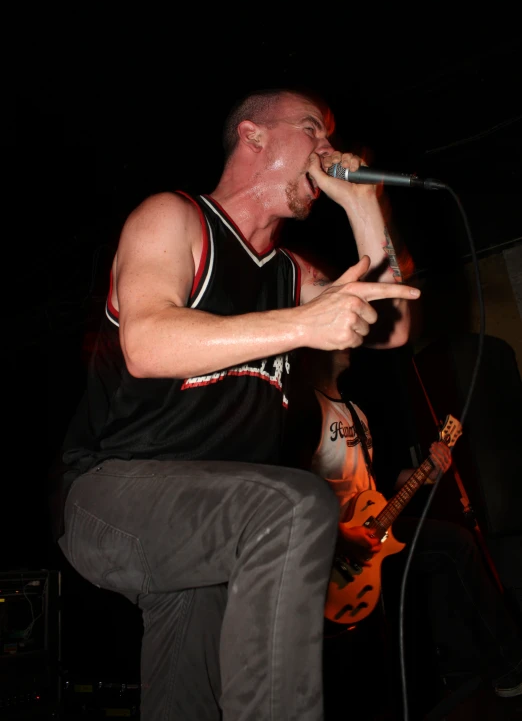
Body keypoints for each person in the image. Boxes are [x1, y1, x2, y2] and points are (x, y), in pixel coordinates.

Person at [50, 87, 422, 721]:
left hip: (211, 517)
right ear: (254, 137)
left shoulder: (292, 273)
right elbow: (146, 342)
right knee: (295, 503)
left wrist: (366, 204)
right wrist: (304, 325)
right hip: (112, 496)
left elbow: (391, 328)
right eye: (314, 130)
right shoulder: (175, 219)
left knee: (187, 697)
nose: (328, 150)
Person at [293, 345, 522, 713]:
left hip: (376, 535)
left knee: (453, 546)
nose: (348, 342)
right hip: (335, 546)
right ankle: (509, 663)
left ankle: (468, 669)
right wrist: (339, 535)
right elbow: (294, 490)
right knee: (454, 547)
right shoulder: (305, 412)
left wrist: (427, 472)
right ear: (308, 353)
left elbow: (376, 481)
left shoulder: (357, 413)